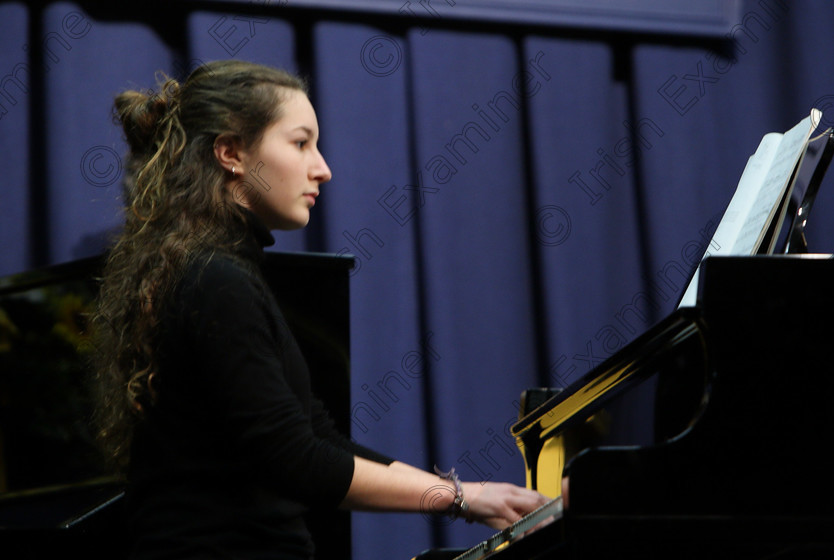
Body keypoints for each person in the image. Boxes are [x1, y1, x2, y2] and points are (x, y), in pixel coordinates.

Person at [91, 59, 550, 559]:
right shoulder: (213, 279)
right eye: (300, 143)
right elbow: (295, 458)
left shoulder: (212, 270)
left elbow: (316, 436)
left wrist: (470, 496)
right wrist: (461, 498)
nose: (323, 168)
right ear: (231, 154)